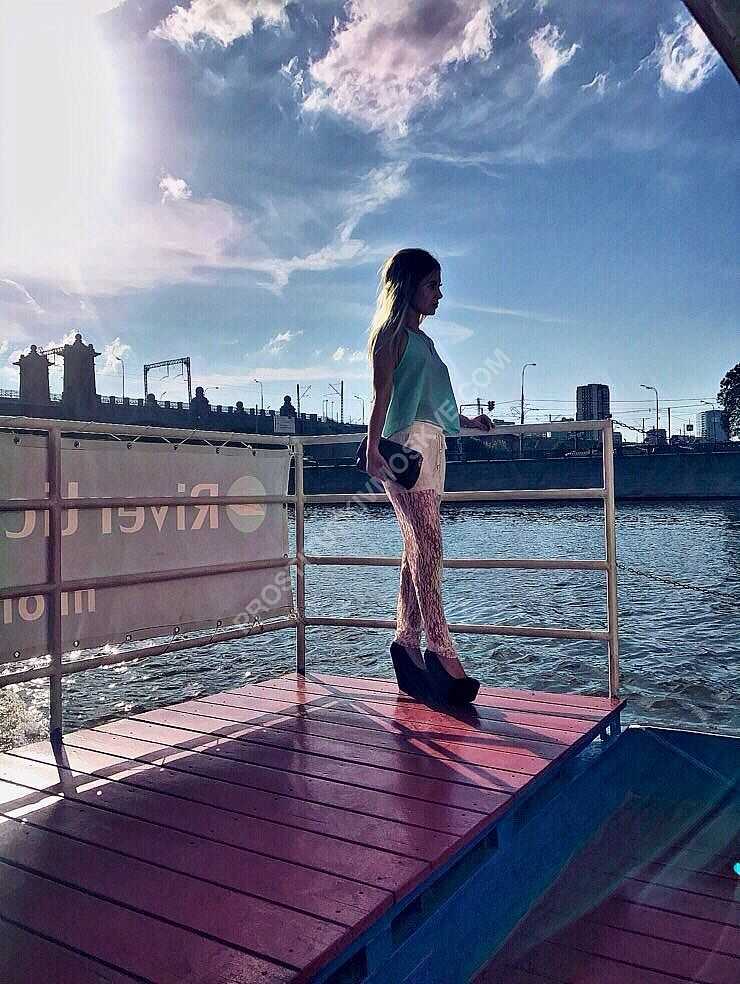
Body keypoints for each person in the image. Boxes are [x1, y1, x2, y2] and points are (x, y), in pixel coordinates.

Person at [365, 248, 493, 704]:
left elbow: (433, 398)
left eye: (439, 286)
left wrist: (468, 421)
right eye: (432, 285)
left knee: (416, 548)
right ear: (408, 286)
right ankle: (440, 648)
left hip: (433, 445)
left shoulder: (426, 341)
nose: (439, 294)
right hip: (406, 449)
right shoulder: (391, 336)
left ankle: (405, 642)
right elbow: (381, 396)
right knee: (429, 544)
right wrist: (372, 447)